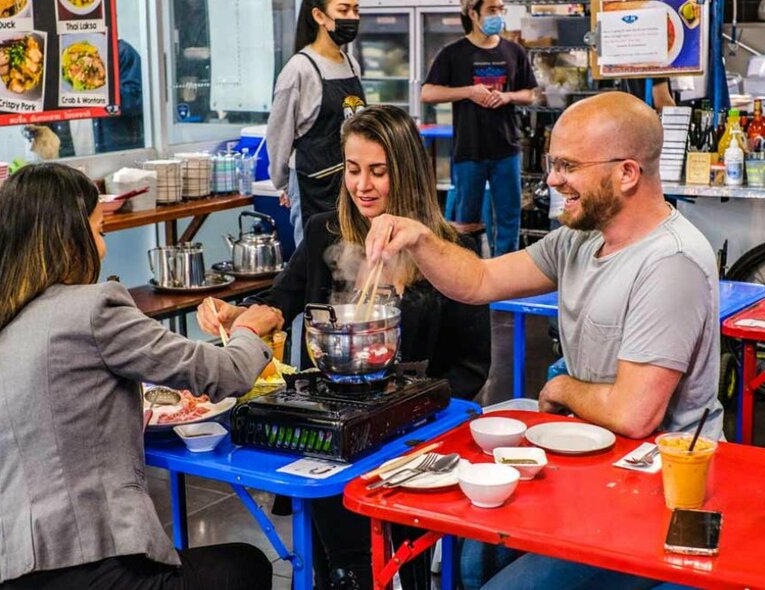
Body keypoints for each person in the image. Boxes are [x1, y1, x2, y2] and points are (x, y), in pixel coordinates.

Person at [364, 92, 724, 588]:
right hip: (592, 468)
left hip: (658, 493)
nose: (552, 179)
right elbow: (479, 281)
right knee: (473, 563)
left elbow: (634, 414)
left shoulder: (670, 262)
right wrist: (421, 239)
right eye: (554, 164)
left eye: (567, 166)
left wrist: (559, 389)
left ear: (626, 173)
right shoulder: (581, 237)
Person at [0, 163, 283, 589]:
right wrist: (250, 328)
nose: (102, 249)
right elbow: (224, 373)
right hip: (92, 569)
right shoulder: (93, 309)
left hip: (0, 572)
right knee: (246, 566)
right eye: (99, 232)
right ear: (68, 238)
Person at [199, 105, 491, 590]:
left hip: (415, 433)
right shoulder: (323, 232)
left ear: (408, 173)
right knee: (343, 563)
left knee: (406, 559)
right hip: (333, 421)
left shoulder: (448, 252)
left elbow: (471, 366)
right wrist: (242, 314)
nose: (363, 186)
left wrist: (418, 410)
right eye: (353, 170)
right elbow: (282, 299)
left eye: (378, 172)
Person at [421, 0, 537, 257]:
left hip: (507, 149)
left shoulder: (514, 52)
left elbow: (530, 93)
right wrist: (468, 92)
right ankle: (465, 272)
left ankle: (506, 275)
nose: (498, 15)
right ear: (473, 14)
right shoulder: (453, 54)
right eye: (492, 10)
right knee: (466, 221)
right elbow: (427, 93)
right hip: (469, 150)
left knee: (509, 218)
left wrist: (508, 97)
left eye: (500, 10)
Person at [267, 0, 366, 248]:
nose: (352, 17)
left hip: (350, 184)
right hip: (313, 186)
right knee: (315, 263)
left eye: (356, 10)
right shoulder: (300, 70)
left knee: (351, 262)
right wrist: (284, 184)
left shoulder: (351, 64)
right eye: (343, 10)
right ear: (319, 16)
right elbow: (279, 134)